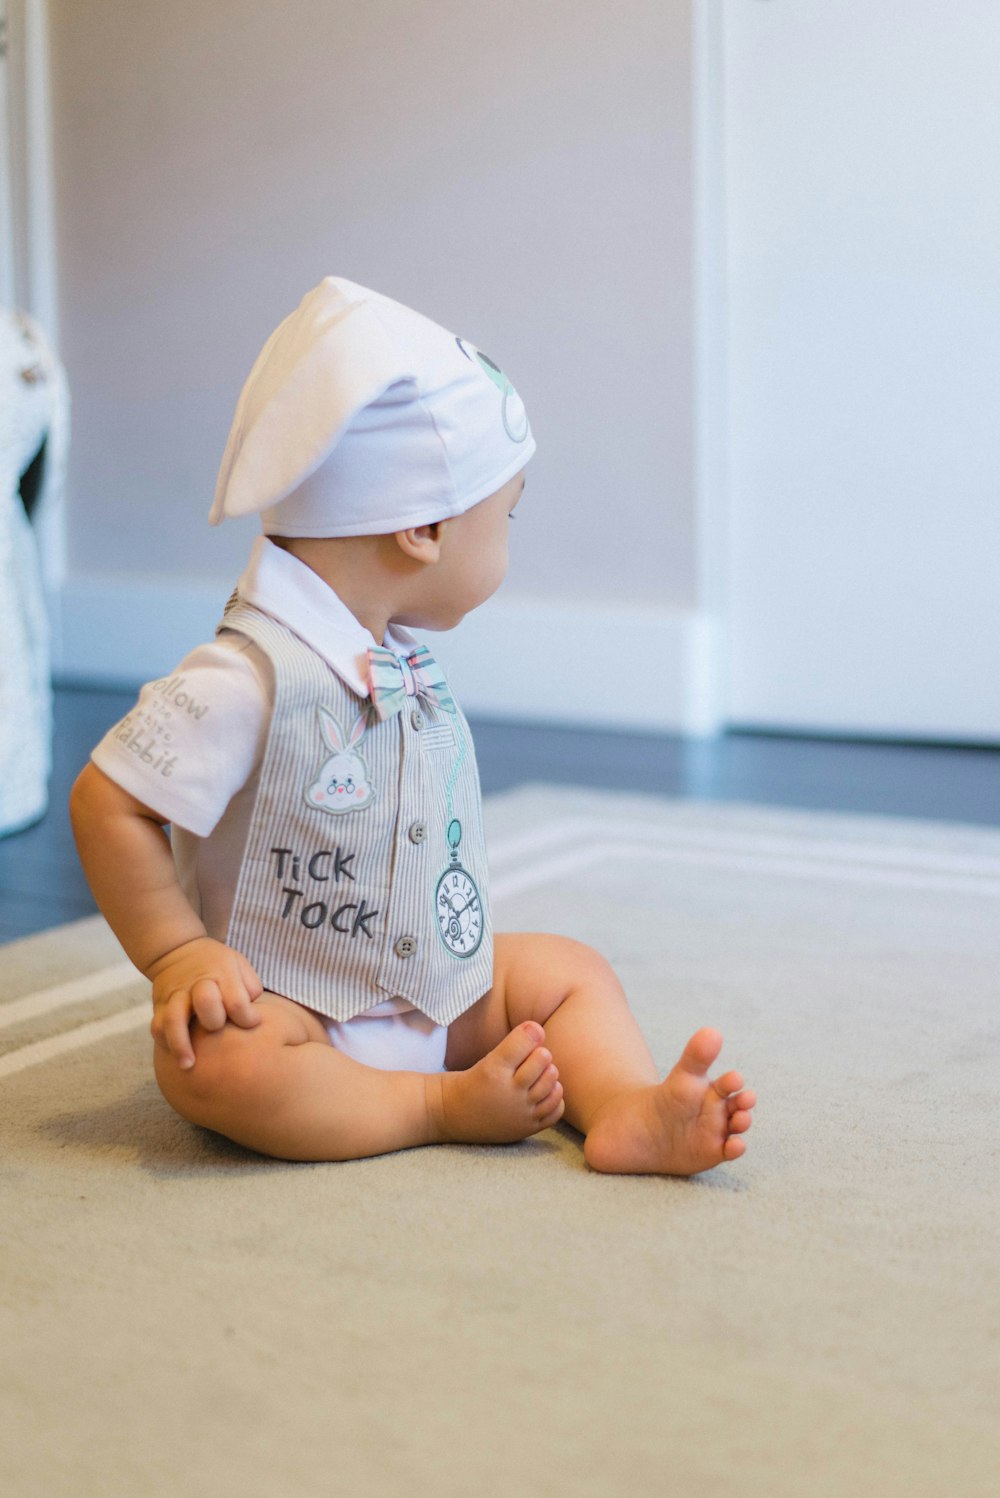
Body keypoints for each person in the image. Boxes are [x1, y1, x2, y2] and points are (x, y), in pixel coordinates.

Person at [70, 276, 756, 1172]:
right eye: (503, 516)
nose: (508, 540)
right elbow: (107, 801)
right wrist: (178, 957)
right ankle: (430, 1105)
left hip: (431, 987)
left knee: (568, 970)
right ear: (425, 527)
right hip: (296, 1010)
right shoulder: (248, 677)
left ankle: (624, 1108)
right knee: (212, 1065)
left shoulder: (388, 651)